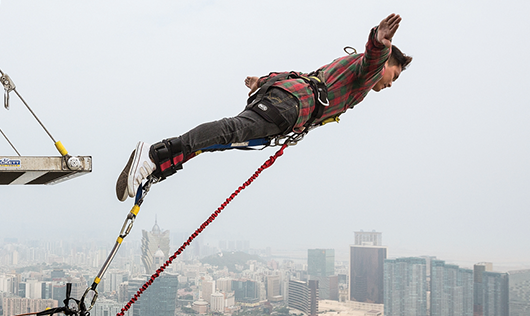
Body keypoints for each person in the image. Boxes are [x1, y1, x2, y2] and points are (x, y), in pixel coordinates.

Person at [116, 14, 412, 202]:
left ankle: (158, 163)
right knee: (230, 130)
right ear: (387, 64)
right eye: (394, 75)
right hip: (291, 108)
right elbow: (373, 60)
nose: (390, 84)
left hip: (285, 98)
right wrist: (379, 42)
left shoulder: (339, 68)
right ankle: (154, 153)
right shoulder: (366, 71)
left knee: (226, 136)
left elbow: (303, 76)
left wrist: (264, 81)